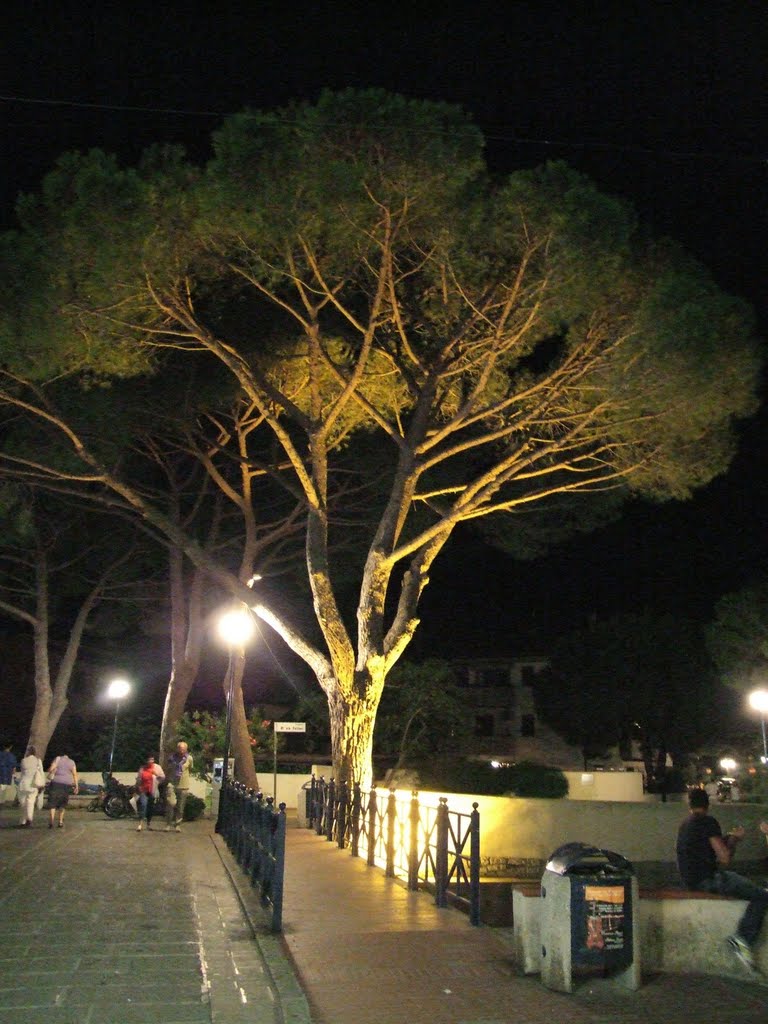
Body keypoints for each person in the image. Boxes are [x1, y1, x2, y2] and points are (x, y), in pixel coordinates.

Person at [676, 787, 768, 971]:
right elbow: (724, 857)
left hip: (690, 880)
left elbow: (704, 848)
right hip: (708, 879)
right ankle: (742, 939)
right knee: (762, 895)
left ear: (690, 805)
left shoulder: (685, 824)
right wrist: (734, 840)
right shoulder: (708, 822)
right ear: (707, 804)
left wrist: (728, 838)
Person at [165, 741, 193, 832]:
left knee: (180, 807)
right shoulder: (172, 758)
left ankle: (177, 824)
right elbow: (167, 768)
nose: (182, 751)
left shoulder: (189, 758)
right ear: (177, 749)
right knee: (171, 803)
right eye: (180, 749)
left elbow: (190, 769)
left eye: (184, 749)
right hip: (172, 783)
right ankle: (168, 823)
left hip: (183, 784)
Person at [46, 753, 78, 829]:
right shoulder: (71, 762)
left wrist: (53, 770)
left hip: (55, 784)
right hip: (66, 785)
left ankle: (51, 822)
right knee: (62, 803)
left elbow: (50, 769)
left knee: (52, 802)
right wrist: (76, 785)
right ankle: (60, 822)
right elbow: (74, 774)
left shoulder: (58, 759)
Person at [135, 755, 164, 832]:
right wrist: (138, 787)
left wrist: (156, 775)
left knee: (150, 807)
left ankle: (148, 823)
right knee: (143, 805)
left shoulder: (157, 767)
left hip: (152, 790)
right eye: (149, 760)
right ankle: (140, 823)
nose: (151, 761)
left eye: (152, 760)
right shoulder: (142, 768)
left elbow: (163, 777)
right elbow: (138, 779)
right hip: (143, 790)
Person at [16, 745, 44, 827]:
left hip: (24, 784)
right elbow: (41, 773)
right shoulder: (38, 761)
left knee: (23, 803)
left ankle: (23, 820)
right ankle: (29, 819)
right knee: (30, 802)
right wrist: (42, 783)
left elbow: (22, 773)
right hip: (33, 785)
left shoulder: (23, 761)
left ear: (27, 752)